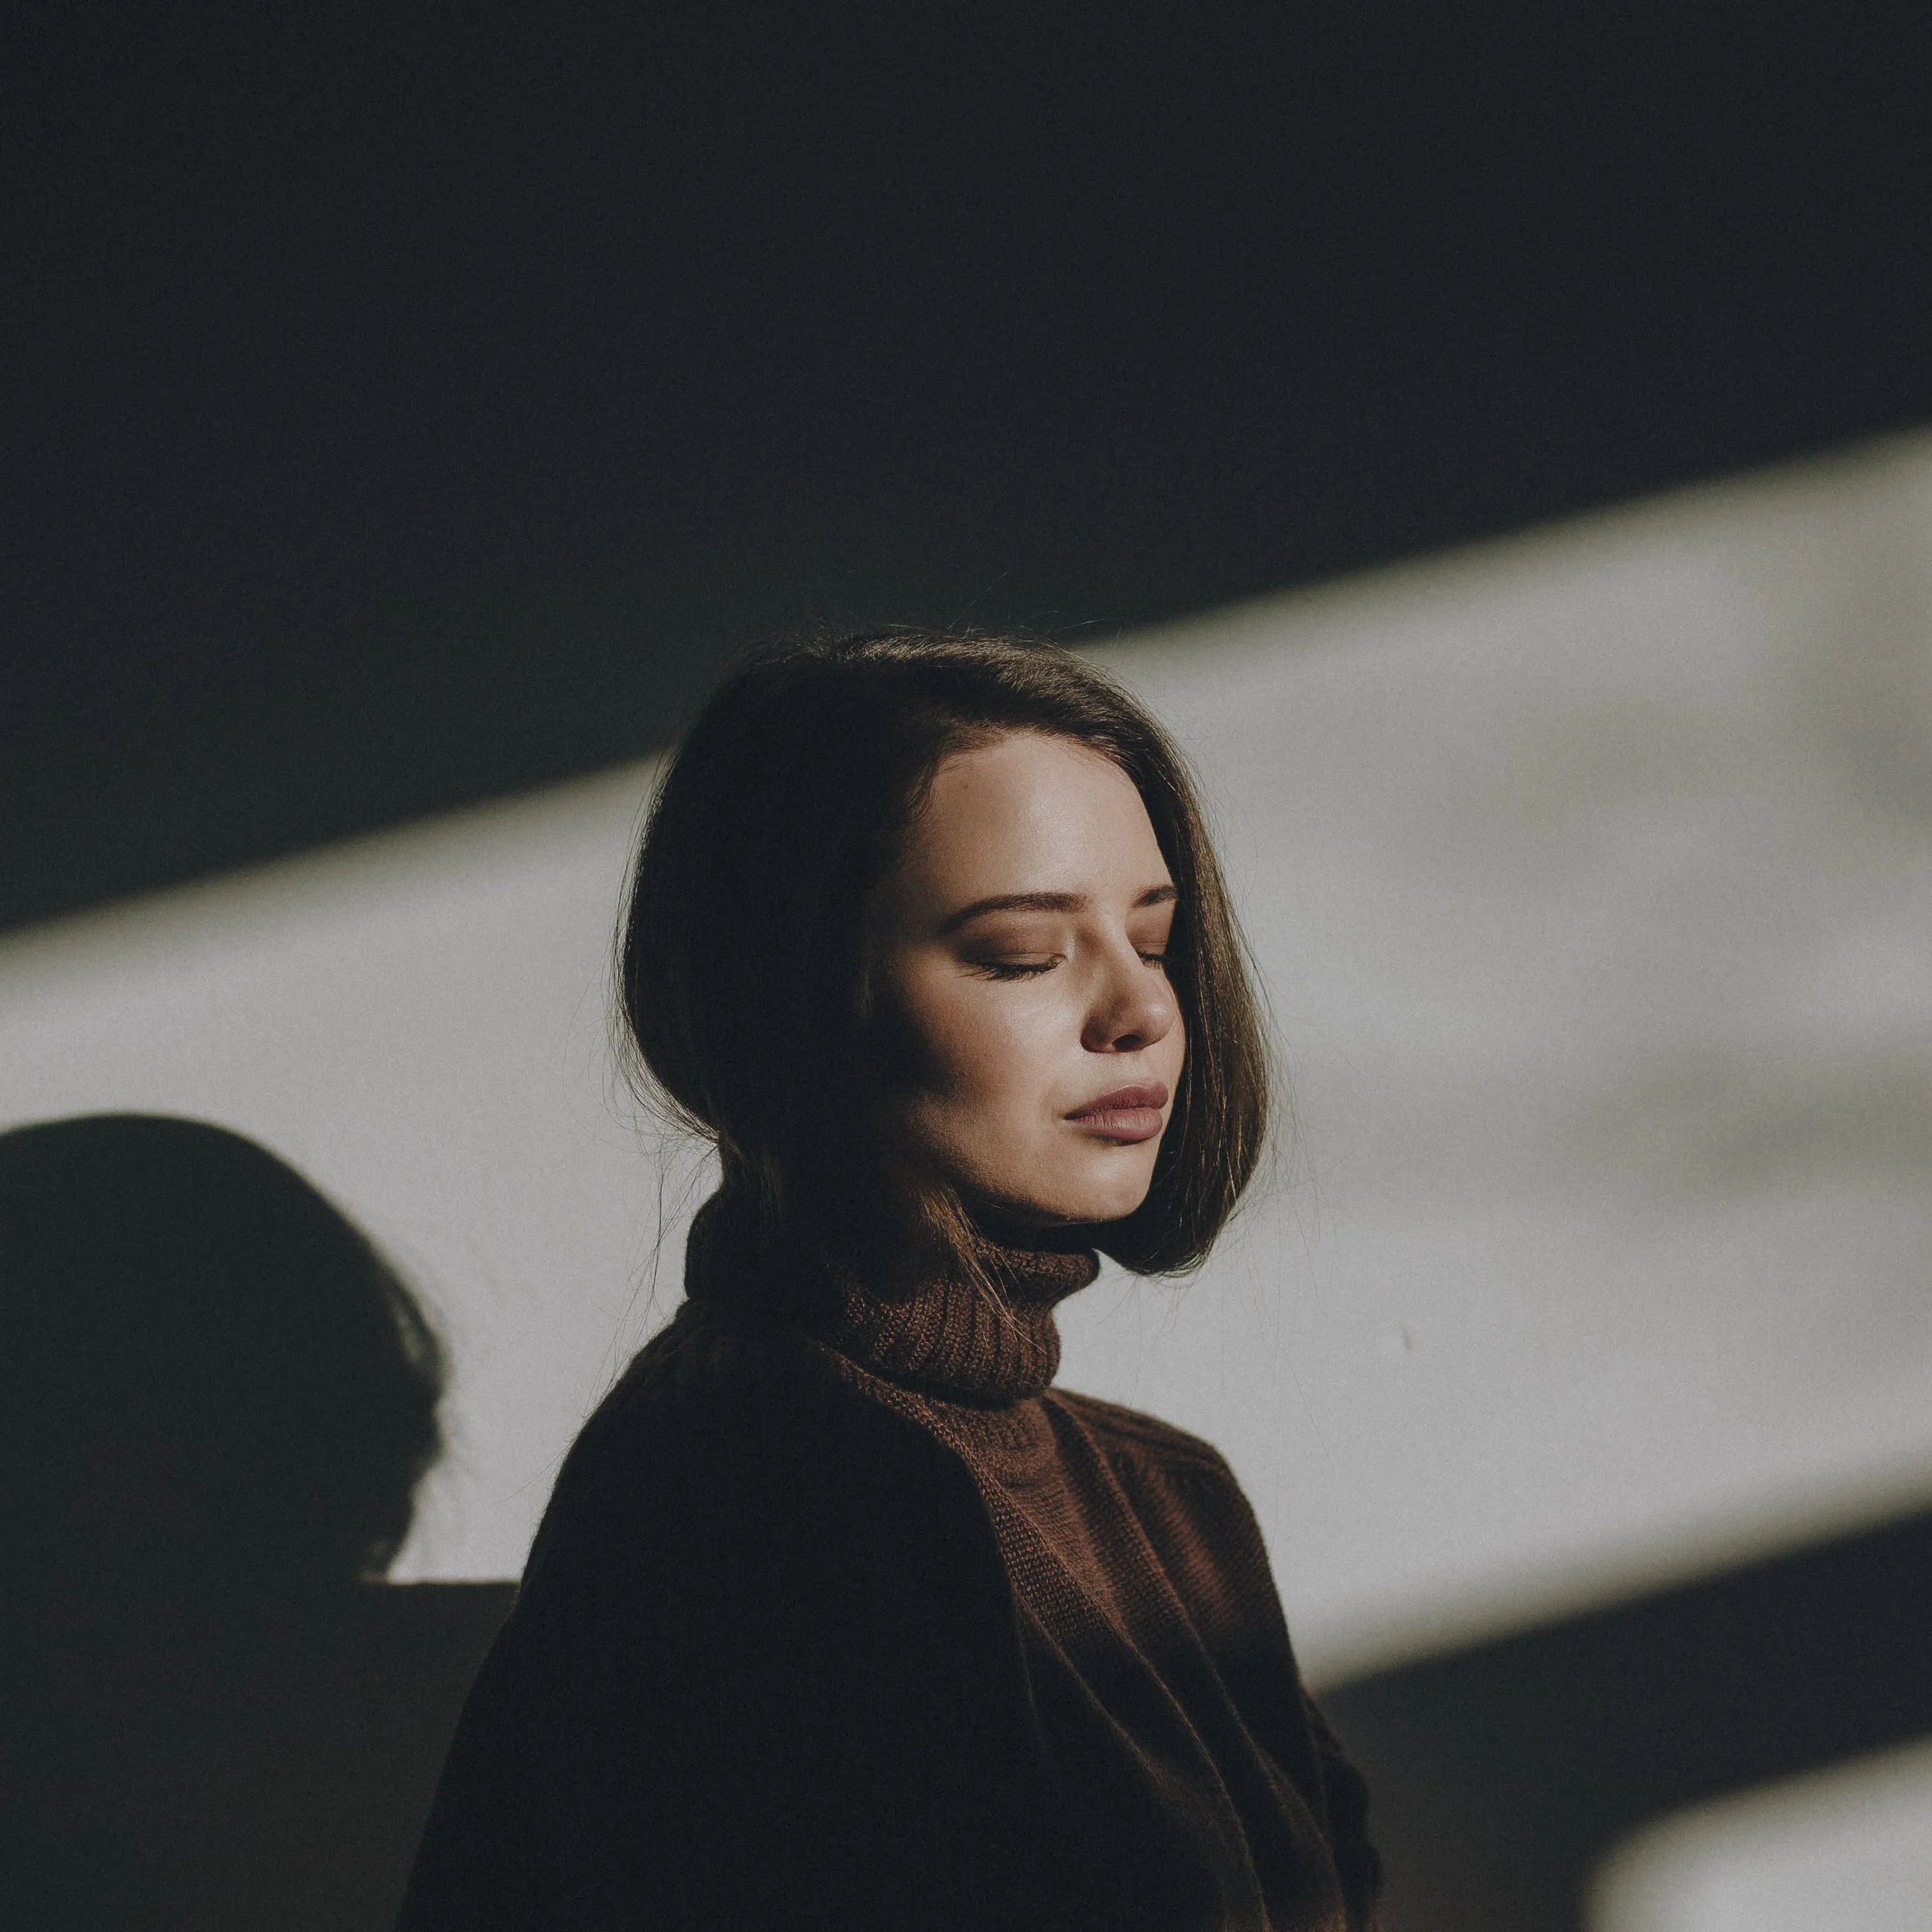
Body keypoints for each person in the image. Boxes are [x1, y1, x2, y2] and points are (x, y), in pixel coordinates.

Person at [397, 631, 1383, 1930]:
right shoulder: (755, 1482)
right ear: (797, 997)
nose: (1137, 1010)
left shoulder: (1170, 1501)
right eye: (1023, 953)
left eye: (1156, 939)